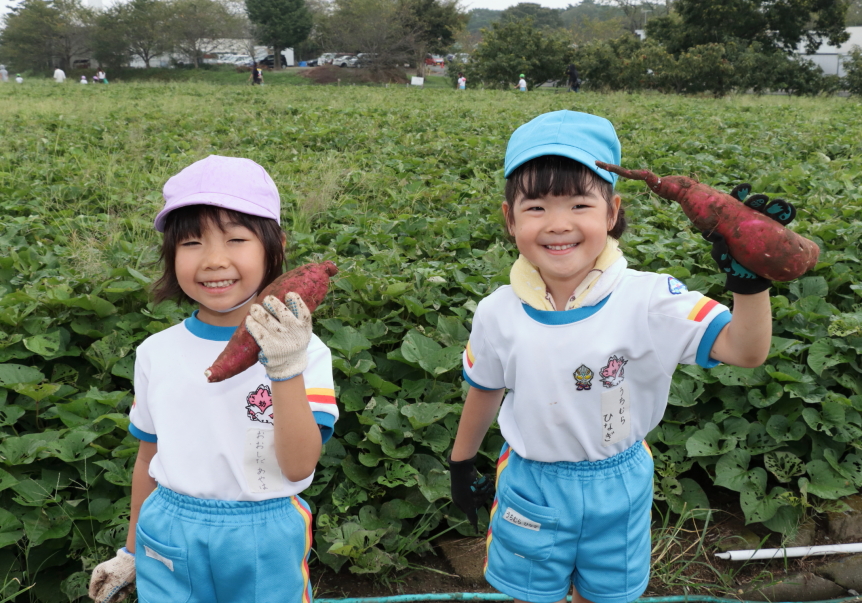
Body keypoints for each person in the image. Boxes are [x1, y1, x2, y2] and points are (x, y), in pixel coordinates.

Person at [448, 110, 781, 603]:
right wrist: (461, 463)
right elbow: (485, 389)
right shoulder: (498, 311)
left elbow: (745, 350)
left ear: (611, 212)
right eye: (535, 207)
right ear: (509, 218)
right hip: (531, 481)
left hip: (619, 482)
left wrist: (750, 283)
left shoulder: (649, 299)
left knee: (606, 596)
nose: (558, 224)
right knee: (529, 595)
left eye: (580, 204)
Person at [88, 155, 338, 603]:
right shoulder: (156, 352)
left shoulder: (307, 353)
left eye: (236, 239)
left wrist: (285, 369)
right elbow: (148, 458)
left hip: (264, 532)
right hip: (168, 528)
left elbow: (299, 466)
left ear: (275, 246)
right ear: (170, 254)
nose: (214, 260)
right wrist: (131, 551)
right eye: (191, 243)